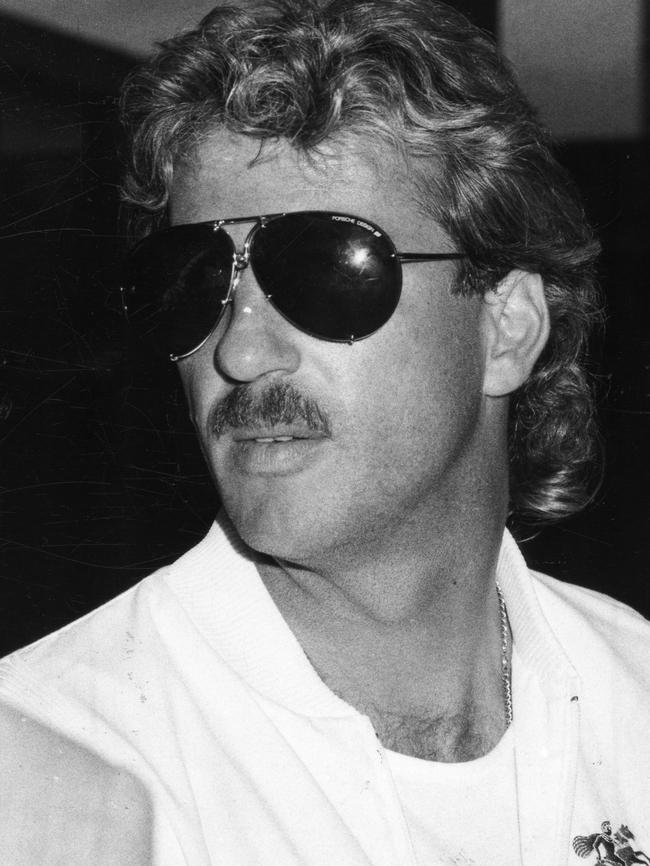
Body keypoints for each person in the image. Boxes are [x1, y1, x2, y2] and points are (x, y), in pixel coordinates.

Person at [1, 1, 648, 864]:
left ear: (506, 329)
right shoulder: (53, 776)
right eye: (195, 281)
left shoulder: (633, 697)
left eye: (322, 271)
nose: (239, 348)